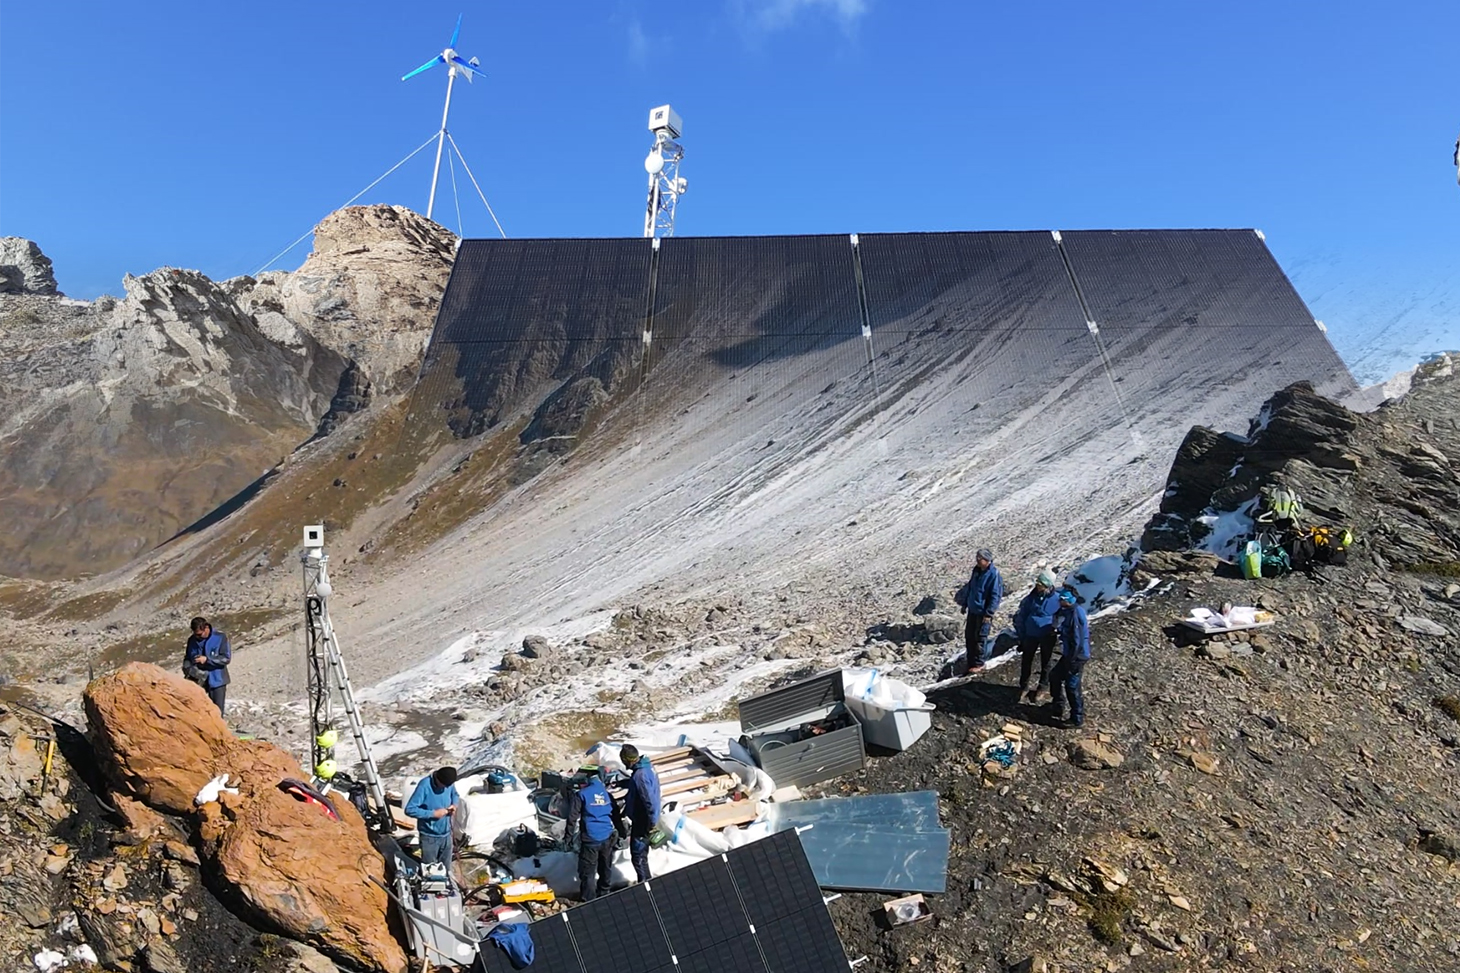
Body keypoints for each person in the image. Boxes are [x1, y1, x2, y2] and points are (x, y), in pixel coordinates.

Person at [565, 772, 624, 902]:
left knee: (588, 871)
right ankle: (605, 893)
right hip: (607, 836)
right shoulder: (607, 795)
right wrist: (622, 832)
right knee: (605, 867)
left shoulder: (581, 794)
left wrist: (568, 839)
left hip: (591, 839)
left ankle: (589, 899)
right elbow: (616, 815)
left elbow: (572, 818)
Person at [1012, 571, 1063, 703]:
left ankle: (1043, 686)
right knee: (1026, 660)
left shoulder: (1057, 599)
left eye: (1041, 584)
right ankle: (1023, 686)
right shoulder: (1031, 598)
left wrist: (1057, 629)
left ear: (1048, 585)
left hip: (1047, 635)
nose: (1038, 586)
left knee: (1046, 661)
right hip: (1030, 634)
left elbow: (1062, 616)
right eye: (1038, 583)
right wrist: (1021, 635)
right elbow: (1022, 615)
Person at [618, 745, 661, 883]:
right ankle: (647, 882)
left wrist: (652, 824)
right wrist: (623, 783)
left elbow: (649, 801)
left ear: (627, 760)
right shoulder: (647, 769)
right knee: (642, 855)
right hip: (646, 819)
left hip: (643, 821)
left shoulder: (639, 775)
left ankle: (645, 884)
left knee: (638, 855)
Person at [1049, 590, 1091, 728]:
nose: (1059, 602)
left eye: (1061, 600)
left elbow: (1077, 639)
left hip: (1076, 657)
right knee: (1055, 676)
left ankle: (1076, 718)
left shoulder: (1075, 614)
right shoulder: (1068, 611)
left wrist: (1072, 660)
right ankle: (1058, 705)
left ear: (1067, 600)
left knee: (1072, 686)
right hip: (1070, 654)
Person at [957, 548, 1004, 673]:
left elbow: (995, 595)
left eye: (980, 558)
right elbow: (971, 588)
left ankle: (979, 663)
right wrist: (965, 603)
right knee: (969, 637)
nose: (977, 560)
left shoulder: (993, 574)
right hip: (973, 609)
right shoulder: (976, 571)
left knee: (980, 637)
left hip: (983, 612)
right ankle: (971, 662)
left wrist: (989, 613)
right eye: (977, 557)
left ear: (987, 559)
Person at [405, 767, 461, 869]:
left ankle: (446, 884)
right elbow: (410, 809)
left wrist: (454, 804)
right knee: (430, 870)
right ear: (438, 779)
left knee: (446, 868)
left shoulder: (448, 783)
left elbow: (455, 794)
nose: (445, 788)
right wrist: (433, 814)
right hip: (429, 838)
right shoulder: (424, 786)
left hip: (447, 835)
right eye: (443, 786)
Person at [185, 617, 232, 716]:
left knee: (216, 712)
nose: (197, 637)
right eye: (195, 634)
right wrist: (187, 669)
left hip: (217, 680)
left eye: (199, 634)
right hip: (198, 680)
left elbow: (226, 658)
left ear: (206, 628)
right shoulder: (192, 640)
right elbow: (187, 658)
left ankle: (218, 731)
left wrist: (207, 659)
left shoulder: (220, 637)